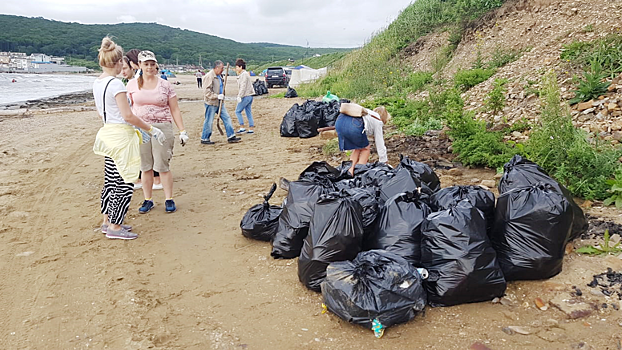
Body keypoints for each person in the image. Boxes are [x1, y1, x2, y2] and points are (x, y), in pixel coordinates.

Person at [92, 37, 166, 240]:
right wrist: (151, 129)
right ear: (116, 63)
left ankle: (107, 220)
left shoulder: (98, 82)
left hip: (107, 133)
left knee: (110, 181)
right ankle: (116, 226)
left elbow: (101, 113)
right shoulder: (116, 85)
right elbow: (128, 116)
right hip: (121, 137)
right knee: (124, 182)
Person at [127, 50, 189, 214]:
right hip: (140, 128)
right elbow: (127, 108)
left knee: (162, 165)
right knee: (145, 166)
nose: (149, 67)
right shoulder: (131, 85)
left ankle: (169, 198)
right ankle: (148, 199)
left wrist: (182, 130)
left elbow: (174, 109)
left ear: (156, 65)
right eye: (146, 64)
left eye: (152, 64)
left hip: (162, 126)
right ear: (139, 65)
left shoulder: (165, 85)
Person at [121, 53, 163, 191]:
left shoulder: (140, 81)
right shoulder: (131, 82)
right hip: (137, 121)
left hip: (144, 122)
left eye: (125, 67)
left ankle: (154, 180)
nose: (123, 71)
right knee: (144, 154)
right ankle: (144, 179)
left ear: (133, 65)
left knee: (149, 153)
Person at [334, 103, 390, 175]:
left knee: (357, 148)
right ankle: (359, 172)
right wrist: (384, 161)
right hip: (354, 125)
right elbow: (380, 144)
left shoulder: (368, 113)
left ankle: (349, 171)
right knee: (366, 148)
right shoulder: (378, 121)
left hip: (339, 122)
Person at [201, 60, 242, 144]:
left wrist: (221, 96)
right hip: (211, 103)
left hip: (220, 103)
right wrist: (216, 96)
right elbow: (206, 92)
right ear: (216, 68)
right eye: (222, 68)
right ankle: (205, 138)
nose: (223, 70)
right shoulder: (209, 76)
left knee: (227, 118)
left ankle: (231, 136)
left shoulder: (220, 76)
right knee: (209, 120)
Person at [234, 58, 255, 134]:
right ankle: (251, 128)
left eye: (237, 67)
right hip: (249, 96)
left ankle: (242, 127)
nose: (236, 69)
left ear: (240, 67)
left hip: (246, 96)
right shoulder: (244, 74)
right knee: (248, 112)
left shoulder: (244, 75)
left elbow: (243, 86)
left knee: (237, 111)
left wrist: (239, 96)